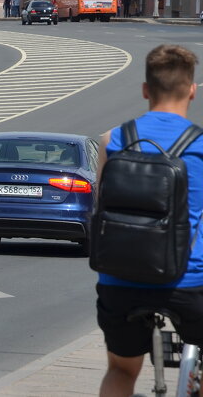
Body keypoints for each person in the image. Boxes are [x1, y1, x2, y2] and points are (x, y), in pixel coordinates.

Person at [96, 44, 203, 397]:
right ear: (191, 90)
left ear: (145, 90)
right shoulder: (201, 145)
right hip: (188, 282)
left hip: (121, 279)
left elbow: (101, 205)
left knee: (120, 369)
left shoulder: (113, 140)